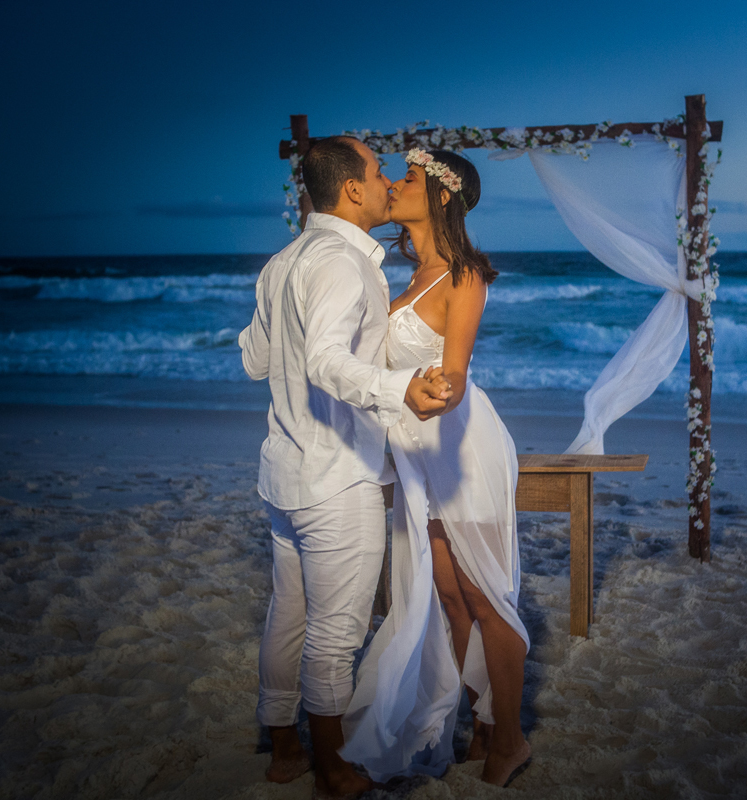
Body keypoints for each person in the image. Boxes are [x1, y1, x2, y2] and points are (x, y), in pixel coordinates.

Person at [238, 135, 452, 799]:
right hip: (335, 479)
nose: (389, 179)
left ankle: (283, 748)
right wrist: (399, 390)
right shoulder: (339, 261)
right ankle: (332, 771)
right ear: (352, 189)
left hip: (285, 475)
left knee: (288, 616)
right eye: (379, 170)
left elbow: (256, 360)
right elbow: (324, 363)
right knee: (335, 637)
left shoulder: (285, 261)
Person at [340, 148, 531, 787]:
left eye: (410, 179)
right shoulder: (413, 274)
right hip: (420, 453)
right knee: (448, 596)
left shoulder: (463, 274)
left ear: (442, 196)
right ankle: (475, 724)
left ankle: (510, 738)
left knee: (483, 596)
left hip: (463, 446)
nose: (393, 185)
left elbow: (452, 377)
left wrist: (410, 397)